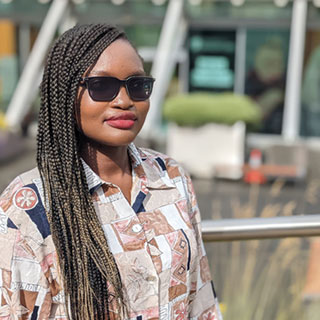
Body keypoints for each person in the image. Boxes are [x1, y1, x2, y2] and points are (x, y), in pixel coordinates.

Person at [0, 24, 222, 320]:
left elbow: (201, 299)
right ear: (65, 94)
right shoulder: (26, 208)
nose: (124, 100)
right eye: (101, 86)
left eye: (137, 85)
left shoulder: (170, 177)